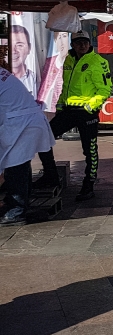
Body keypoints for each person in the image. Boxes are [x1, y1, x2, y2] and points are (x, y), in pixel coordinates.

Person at [33, 31, 111, 202]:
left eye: (85, 42)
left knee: (89, 150)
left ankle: (88, 184)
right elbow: (65, 86)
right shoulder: (68, 60)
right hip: (69, 110)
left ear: (90, 44)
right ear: (72, 45)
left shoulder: (98, 61)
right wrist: (60, 106)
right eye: (78, 42)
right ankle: (51, 175)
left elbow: (106, 90)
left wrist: (90, 106)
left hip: (86, 112)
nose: (82, 45)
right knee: (44, 137)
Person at [0, 67, 56, 226]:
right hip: (20, 122)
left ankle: (16, 211)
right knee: (18, 165)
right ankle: (17, 205)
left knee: (15, 167)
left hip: (22, 124)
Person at [10, 24, 36, 96]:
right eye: (8, 45)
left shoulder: (36, 79)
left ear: (29, 48)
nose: (13, 51)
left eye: (19, 45)